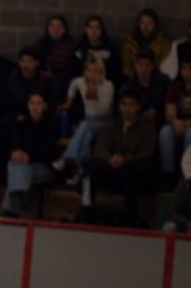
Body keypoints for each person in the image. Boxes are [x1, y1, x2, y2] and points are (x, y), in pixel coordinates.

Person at [82, 90, 156, 224]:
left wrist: (125, 159)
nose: (127, 108)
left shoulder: (147, 128)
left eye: (131, 105)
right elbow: (100, 150)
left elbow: (146, 153)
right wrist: (111, 159)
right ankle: (87, 209)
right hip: (112, 169)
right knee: (90, 165)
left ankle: (130, 216)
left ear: (138, 107)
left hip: (134, 171)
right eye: (124, 104)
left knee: (133, 171)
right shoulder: (111, 126)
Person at [55, 56, 114, 184]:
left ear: (101, 72)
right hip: (88, 121)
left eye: (96, 71)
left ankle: (65, 159)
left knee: (84, 127)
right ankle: (80, 174)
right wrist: (69, 102)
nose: (92, 74)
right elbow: (73, 85)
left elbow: (104, 109)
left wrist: (95, 96)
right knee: (85, 137)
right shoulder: (80, 82)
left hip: (103, 122)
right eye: (89, 70)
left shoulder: (108, 85)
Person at [1, 92, 60, 217]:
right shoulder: (21, 123)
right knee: (16, 165)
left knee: (18, 170)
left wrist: (29, 157)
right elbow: (14, 145)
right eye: (32, 103)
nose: (35, 107)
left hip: (44, 167)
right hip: (22, 165)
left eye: (39, 103)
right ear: (28, 106)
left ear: (45, 106)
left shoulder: (51, 126)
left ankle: (9, 212)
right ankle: (15, 207)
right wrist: (15, 153)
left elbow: (47, 152)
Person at [159, 46, 191, 180]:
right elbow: (170, 112)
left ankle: (187, 173)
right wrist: (174, 122)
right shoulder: (175, 87)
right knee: (165, 132)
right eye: (184, 68)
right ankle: (168, 175)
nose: (187, 72)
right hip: (178, 124)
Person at [122, 8, 171, 79]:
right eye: (142, 22)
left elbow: (164, 67)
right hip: (135, 80)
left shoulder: (163, 44)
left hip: (156, 80)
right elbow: (126, 69)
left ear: (155, 25)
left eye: (149, 23)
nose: (145, 26)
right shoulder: (130, 44)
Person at [74, 15, 121, 86]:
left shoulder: (111, 50)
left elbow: (115, 72)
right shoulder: (78, 49)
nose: (94, 31)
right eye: (90, 27)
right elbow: (74, 72)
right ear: (86, 29)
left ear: (102, 30)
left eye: (97, 28)